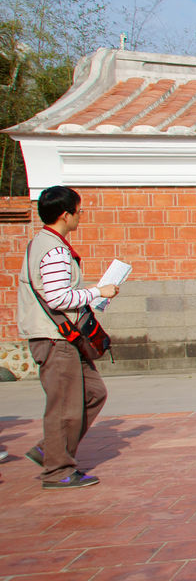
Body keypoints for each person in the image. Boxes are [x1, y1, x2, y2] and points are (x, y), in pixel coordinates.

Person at [17, 186, 120, 489]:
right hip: (55, 339)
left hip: (64, 338)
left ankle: (51, 449)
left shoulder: (44, 243)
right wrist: (98, 292)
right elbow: (58, 298)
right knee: (64, 405)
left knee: (93, 393)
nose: (80, 215)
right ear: (66, 214)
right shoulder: (54, 250)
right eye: (79, 210)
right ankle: (57, 470)